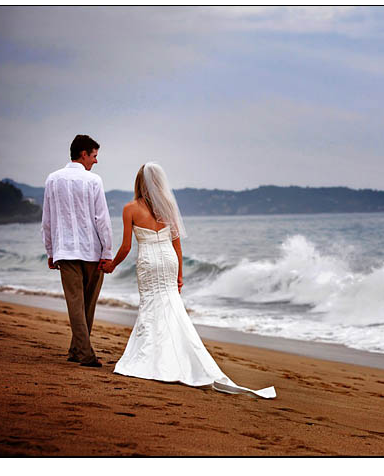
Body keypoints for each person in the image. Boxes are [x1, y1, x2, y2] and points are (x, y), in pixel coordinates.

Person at [103, 162, 275, 398]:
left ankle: (153, 356)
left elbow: (125, 246)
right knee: (172, 305)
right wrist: (180, 275)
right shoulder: (168, 208)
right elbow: (177, 245)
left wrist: (112, 264)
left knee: (151, 304)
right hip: (169, 259)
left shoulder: (130, 208)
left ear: (138, 182)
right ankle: (180, 354)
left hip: (149, 262)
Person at [41, 134, 113, 368]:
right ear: (83, 154)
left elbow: (47, 220)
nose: (96, 161)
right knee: (86, 304)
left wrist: (50, 249)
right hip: (92, 250)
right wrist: (107, 252)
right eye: (94, 156)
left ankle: (76, 350)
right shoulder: (93, 181)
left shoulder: (53, 179)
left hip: (65, 250)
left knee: (76, 304)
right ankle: (86, 354)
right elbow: (102, 219)